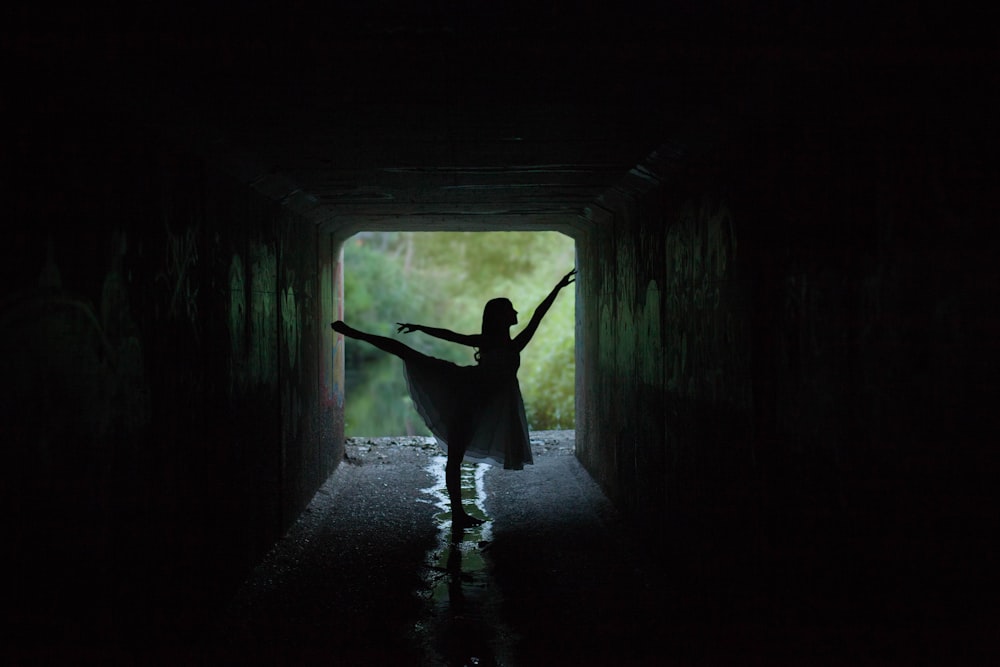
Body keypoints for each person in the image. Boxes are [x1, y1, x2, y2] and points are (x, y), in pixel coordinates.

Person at [332, 268, 576, 528]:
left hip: (478, 396)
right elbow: (450, 335)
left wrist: (559, 287)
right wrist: (420, 327)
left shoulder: (508, 343)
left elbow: (539, 314)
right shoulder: (495, 343)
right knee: (409, 355)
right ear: (501, 317)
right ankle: (353, 332)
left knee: (454, 456)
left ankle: (459, 513)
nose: (516, 313)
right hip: (467, 393)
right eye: (511, 309)